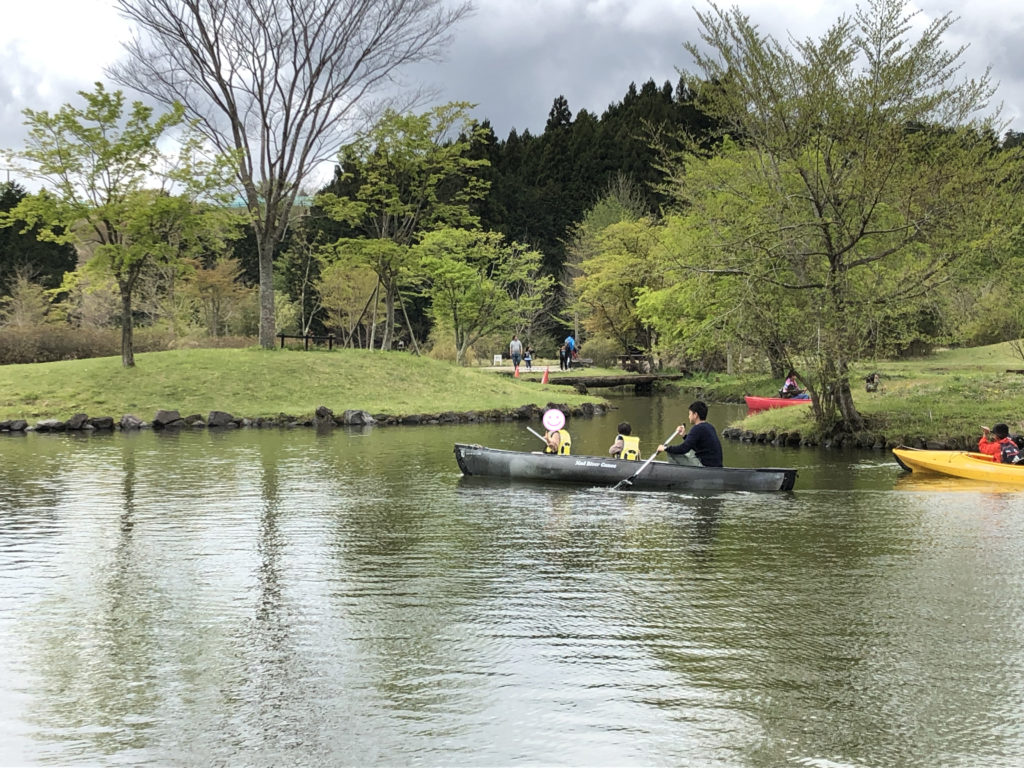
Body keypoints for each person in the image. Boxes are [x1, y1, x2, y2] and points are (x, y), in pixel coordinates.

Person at [657, 401, 723, 467]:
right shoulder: (710, 427)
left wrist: (665, 448)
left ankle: (675, 473)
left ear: (695, 415)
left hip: (706, 467)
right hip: (715, 465)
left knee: (671, 452)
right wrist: (684, 435)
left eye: (690, 414)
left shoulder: (697, 428)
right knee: (689, 452)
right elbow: (696, 447)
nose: (689, 417)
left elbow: (683, 448)